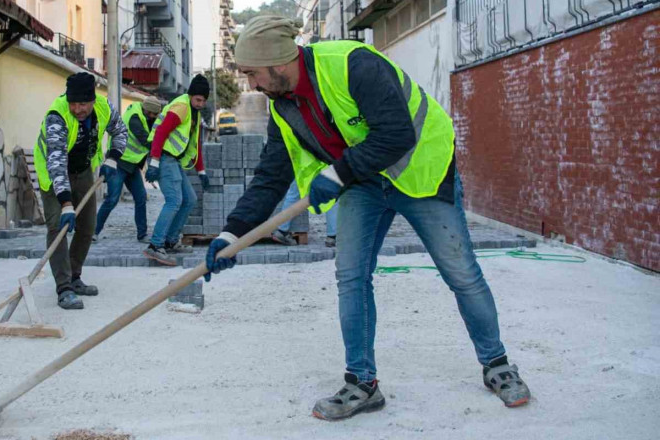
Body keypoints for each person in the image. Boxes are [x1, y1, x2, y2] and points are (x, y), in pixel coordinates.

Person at [203, 16, 531, 420]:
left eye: (253, 74)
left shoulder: (353, 64)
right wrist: (231, 233)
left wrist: (337, 173)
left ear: (279, 61)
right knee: (351, 277)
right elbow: (271, 178)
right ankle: (362, 384)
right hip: (361, 183)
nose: (252, 85)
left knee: (461, 272)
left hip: (419, 173)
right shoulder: (283, 106)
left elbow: (396, 134)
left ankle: (497, 365)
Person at [33, 72, 127, 310]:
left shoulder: (105, 108)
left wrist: (112, 159)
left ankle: (74, 277)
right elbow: (56, 163)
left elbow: (120, 132)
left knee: (87, 226)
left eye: (83, 104)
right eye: (73, 103)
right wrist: (65, 203)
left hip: (83, 170)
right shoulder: (57, 115)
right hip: (54, 175)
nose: (77, 109)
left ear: (93, 100)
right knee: (58, 227)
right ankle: (63, 288)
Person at [141, 74, 211, 266]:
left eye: (204, 101)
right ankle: (155, 246)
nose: (200, 104)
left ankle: (171, 241)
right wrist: (154, 162)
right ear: (191, 96)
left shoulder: (194, 113)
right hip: (163, 157)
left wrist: (201, 171)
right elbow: (161, 132)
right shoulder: (181, 107)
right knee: (174, 201)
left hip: (173, 160)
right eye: (198, 99)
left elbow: (195, 143)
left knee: (189, 199)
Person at [94, 96, 163, 242]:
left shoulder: (144, 115)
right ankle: (94, 232)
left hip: (132, 165)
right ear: (147, 110)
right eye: (153, 114)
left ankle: (142, 234)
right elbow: (146, 141)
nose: (155, 117)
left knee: (141, 198)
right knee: (112, 199)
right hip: (118, 163)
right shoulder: (135, 119)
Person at [272, 181, 338, 247]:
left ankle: (282, 231)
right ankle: (332, 237)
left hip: (301, 171)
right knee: (331, 196)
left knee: (293, 195)